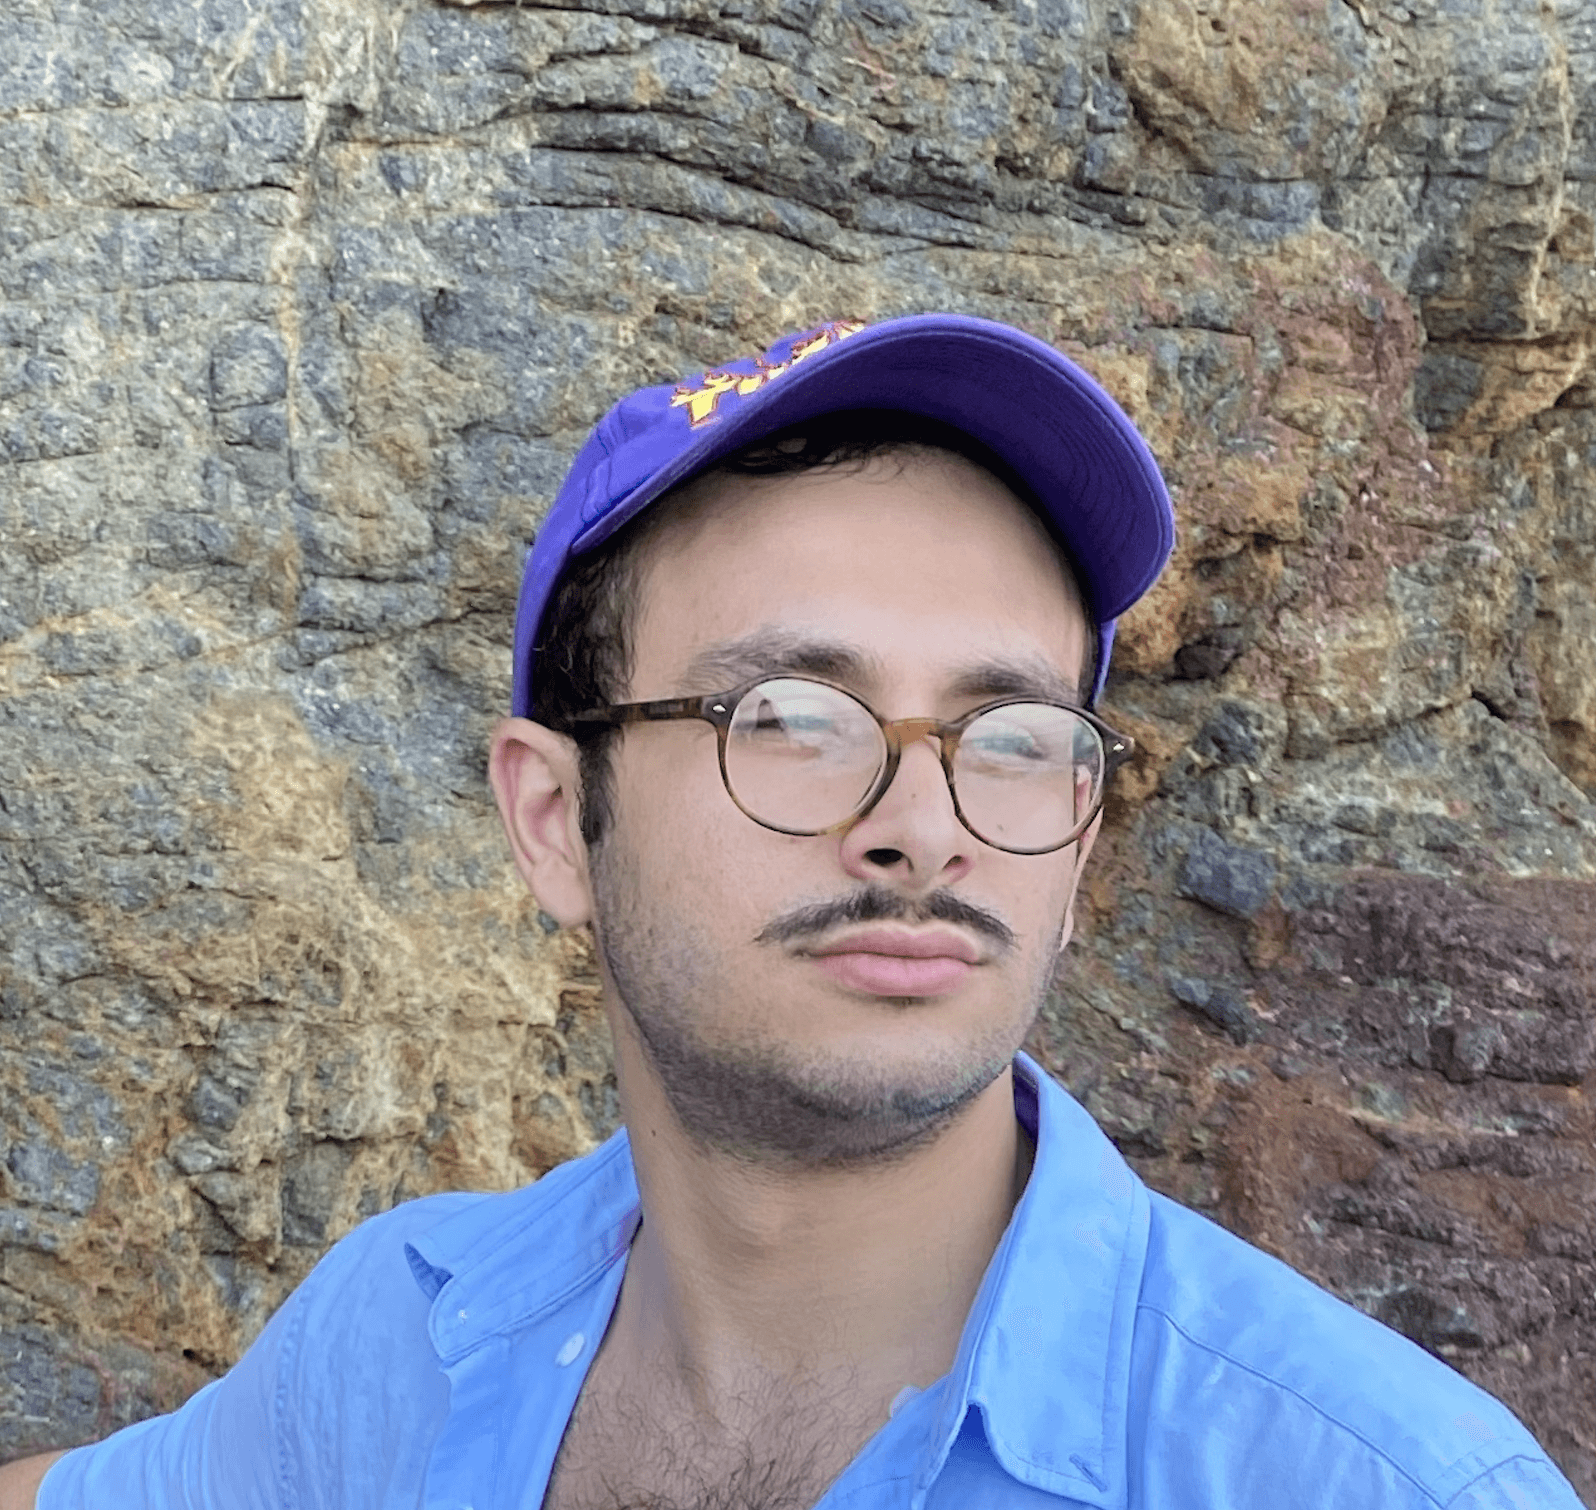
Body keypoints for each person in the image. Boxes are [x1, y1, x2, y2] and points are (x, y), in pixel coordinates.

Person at [2, 315, 1582, 1510]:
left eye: (1013, 739)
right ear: (556, 820)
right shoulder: (408, 1336)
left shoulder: (1368, 1480)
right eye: (794, 719)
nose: (920, 827)